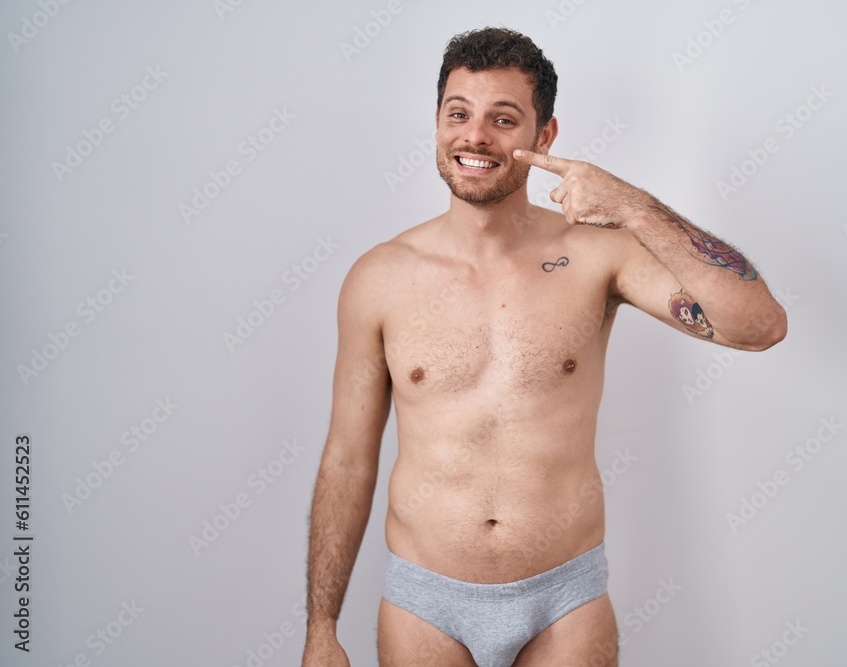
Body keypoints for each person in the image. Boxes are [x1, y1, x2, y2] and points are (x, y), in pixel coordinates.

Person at [302, 26, 786, 667]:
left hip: (565, 600)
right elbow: (347, 460)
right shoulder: (379, 278)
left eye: (504, 119)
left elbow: (759, 326)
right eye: (458, 114)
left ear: (544, 136)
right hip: (426, 604)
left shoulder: (594, 256)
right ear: (438, 122)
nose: (475, 137)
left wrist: (633, 207)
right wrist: (321, 626)